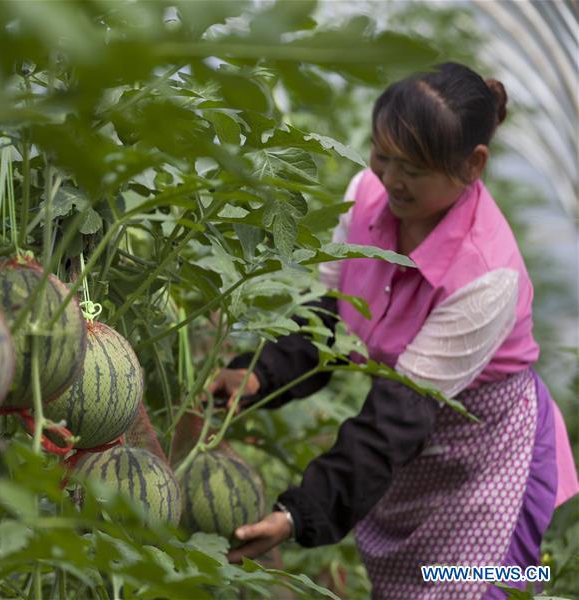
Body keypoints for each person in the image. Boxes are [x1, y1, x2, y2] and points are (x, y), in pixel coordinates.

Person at [210, 63, 579, 599]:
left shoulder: (486, 275)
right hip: (414, 444)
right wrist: (257, 375)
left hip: (489, 458)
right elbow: (327, 319)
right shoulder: (367, 195)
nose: (390, 179)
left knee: (474, 587)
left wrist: (299, 513)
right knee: (410, 586)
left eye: (413, 167)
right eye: (383, 155)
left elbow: (396, 419)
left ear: (472, 165)